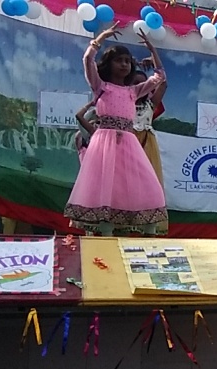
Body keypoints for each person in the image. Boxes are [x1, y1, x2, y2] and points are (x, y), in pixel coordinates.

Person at [64, 23, 166, 236]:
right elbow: (87, 60)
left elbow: (159, 78)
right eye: (119, 60)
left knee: (145, 180)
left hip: (129, 141)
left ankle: (149, 229)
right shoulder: (100, 87)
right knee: (105, 185)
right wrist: (100, 38)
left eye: (127, 61)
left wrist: (153, 51)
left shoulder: (133, 91)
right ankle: (106, 232)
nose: (124, 64)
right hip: (104, 142)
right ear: (108, 64)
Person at [130, 54, 168, 235]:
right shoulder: (124, 101)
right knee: (127, 184)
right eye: (136, 83)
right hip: (128, 145)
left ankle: (149, 227)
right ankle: (123, 223)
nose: (141, 86)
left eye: (144, 83)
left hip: (147, 147)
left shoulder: (151, 104)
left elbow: (163, 83)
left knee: (148, 186)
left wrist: (154, 62)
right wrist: (132, 63)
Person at [74, 99, 97, 164]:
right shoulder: (90, 134)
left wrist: (91, 106)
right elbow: (79, 117)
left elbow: (79, 117)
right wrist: (93, 111)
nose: (96, 125)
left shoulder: (94, 133)